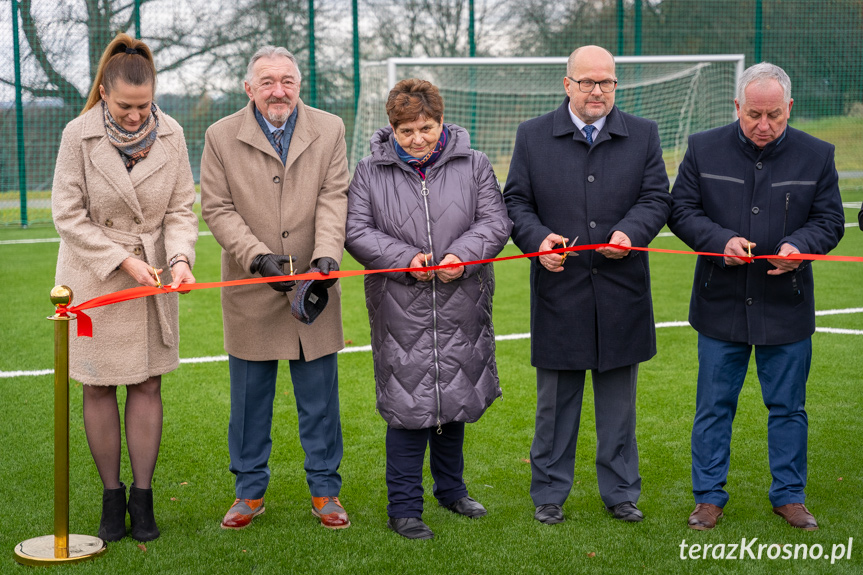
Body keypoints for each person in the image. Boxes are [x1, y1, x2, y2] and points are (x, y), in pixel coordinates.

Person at [668, 62, 844, 531]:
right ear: (737, 108)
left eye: (774, 116)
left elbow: (830, 221)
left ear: (789, 109)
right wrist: (717, 239)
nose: (763, 126)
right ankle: (708, 497)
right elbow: (681, 210)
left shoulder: (817, 154)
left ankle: (789, 495)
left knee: (788, 407)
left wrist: (801, 247)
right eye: (753, 115)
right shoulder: (703, 148)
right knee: (713, 407)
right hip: (719, 301)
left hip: (786, 304)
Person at [504, 45, 671, 525]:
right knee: (555, 404)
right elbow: (515, 201)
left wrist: (632, 232)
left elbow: (657, 197)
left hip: (623, 291)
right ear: (567, 85)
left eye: (607, 82)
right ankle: (550, 493)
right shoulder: (533, 135)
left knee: (619, 404)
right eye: (588, 82)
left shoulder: (643, 134)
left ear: (616, 84)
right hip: (559, 291)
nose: (598, 91)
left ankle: (620, 492)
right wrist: (538, 241)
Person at [345, 79, 512, 540]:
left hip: (464, 301)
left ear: (441, 121)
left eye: (426, 127)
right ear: (391, 129)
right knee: (408, 405)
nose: (418, 138)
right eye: (406, 131)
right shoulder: (368, 172)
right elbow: (356, 231)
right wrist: (405, 260)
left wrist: (462, 255)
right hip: (400, 306)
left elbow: (495, 221)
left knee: (454, 398)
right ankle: (403, 506)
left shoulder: (475, 163)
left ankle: (451, 489)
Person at [51, 33, 198, 542]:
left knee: (148, 383)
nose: (136, 116)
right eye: (125, 106)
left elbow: (181, 209)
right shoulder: (78, 134)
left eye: (144, 105)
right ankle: (112, 497)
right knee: (97, 384)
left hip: (153, 274)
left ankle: (143, 496)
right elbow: (67, 215)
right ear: (104, 94)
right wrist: (121, 261)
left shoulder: (174, 134)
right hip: (93, 278)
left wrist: (178, 259)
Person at [200, 46, 350, 530]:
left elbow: (334, 195)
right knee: (248, 405)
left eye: (286, 80)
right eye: (266, 81)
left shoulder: (330, 129)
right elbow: (217, 208)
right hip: (250, 288)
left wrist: (326, 257)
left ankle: (325, 490)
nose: (278, 90)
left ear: (299, 85)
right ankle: (248, 493)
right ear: (249, 89)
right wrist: (257, 259)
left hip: (313, 288)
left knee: (320, 402)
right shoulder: (219, 136)